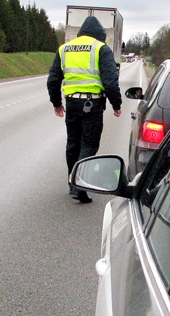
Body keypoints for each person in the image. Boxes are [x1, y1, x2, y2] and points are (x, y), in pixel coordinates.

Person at [47, 15, 122, 203]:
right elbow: (110, 81)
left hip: (72, 103)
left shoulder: (64, 49)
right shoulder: (101, 48)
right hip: (92, 105)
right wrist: (116, 104)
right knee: (89, 145)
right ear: (100, 34)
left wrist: (57, 103)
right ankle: (79, 186)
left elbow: (53, 80)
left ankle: (72, 182)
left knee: (73, 144)